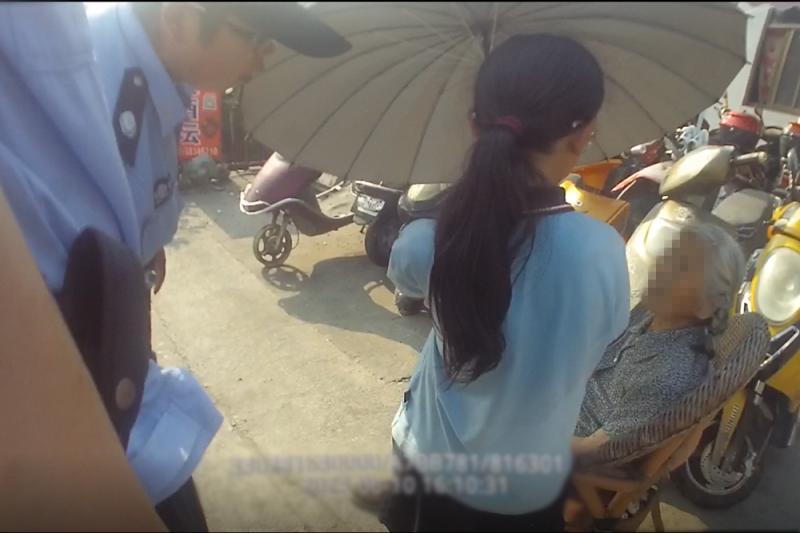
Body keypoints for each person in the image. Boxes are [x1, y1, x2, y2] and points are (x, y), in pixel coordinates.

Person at [379, 34, 630, 532]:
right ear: (582, 137)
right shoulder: (604, 252)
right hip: (526, 493)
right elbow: (602, 343)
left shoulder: (426, 243)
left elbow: (407, 281)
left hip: (424, 470)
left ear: (474, 125)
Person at [572, 224, 746, 455]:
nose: (662, 268)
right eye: (668, 255)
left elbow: (592, 451)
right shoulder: (648, 315)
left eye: (681, 267)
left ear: (706, 305)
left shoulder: (672, 373)